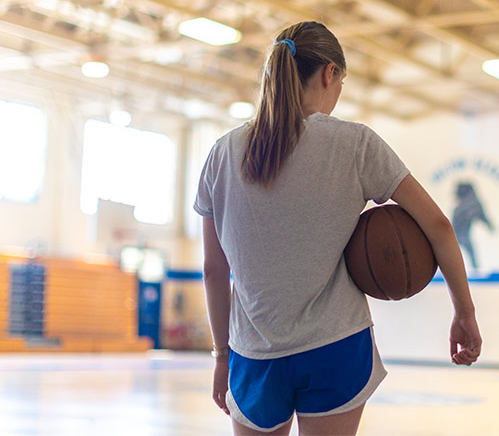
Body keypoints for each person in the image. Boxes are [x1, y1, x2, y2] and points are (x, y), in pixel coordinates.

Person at [194, 21, 481, 436]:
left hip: (253, 354)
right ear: (329, 73)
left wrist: (222, 356)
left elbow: (213, 270)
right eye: (340, 81)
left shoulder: (222, 153)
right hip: (336, 346)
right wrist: (465, 313)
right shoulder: (356, 144)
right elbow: (438, 224)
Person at [450, 182, 494, 272]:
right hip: (457, 234)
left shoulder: (471, 204)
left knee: (469, 254)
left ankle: (475, 269)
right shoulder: (470, 203)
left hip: (461, 234)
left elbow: (481, 216)